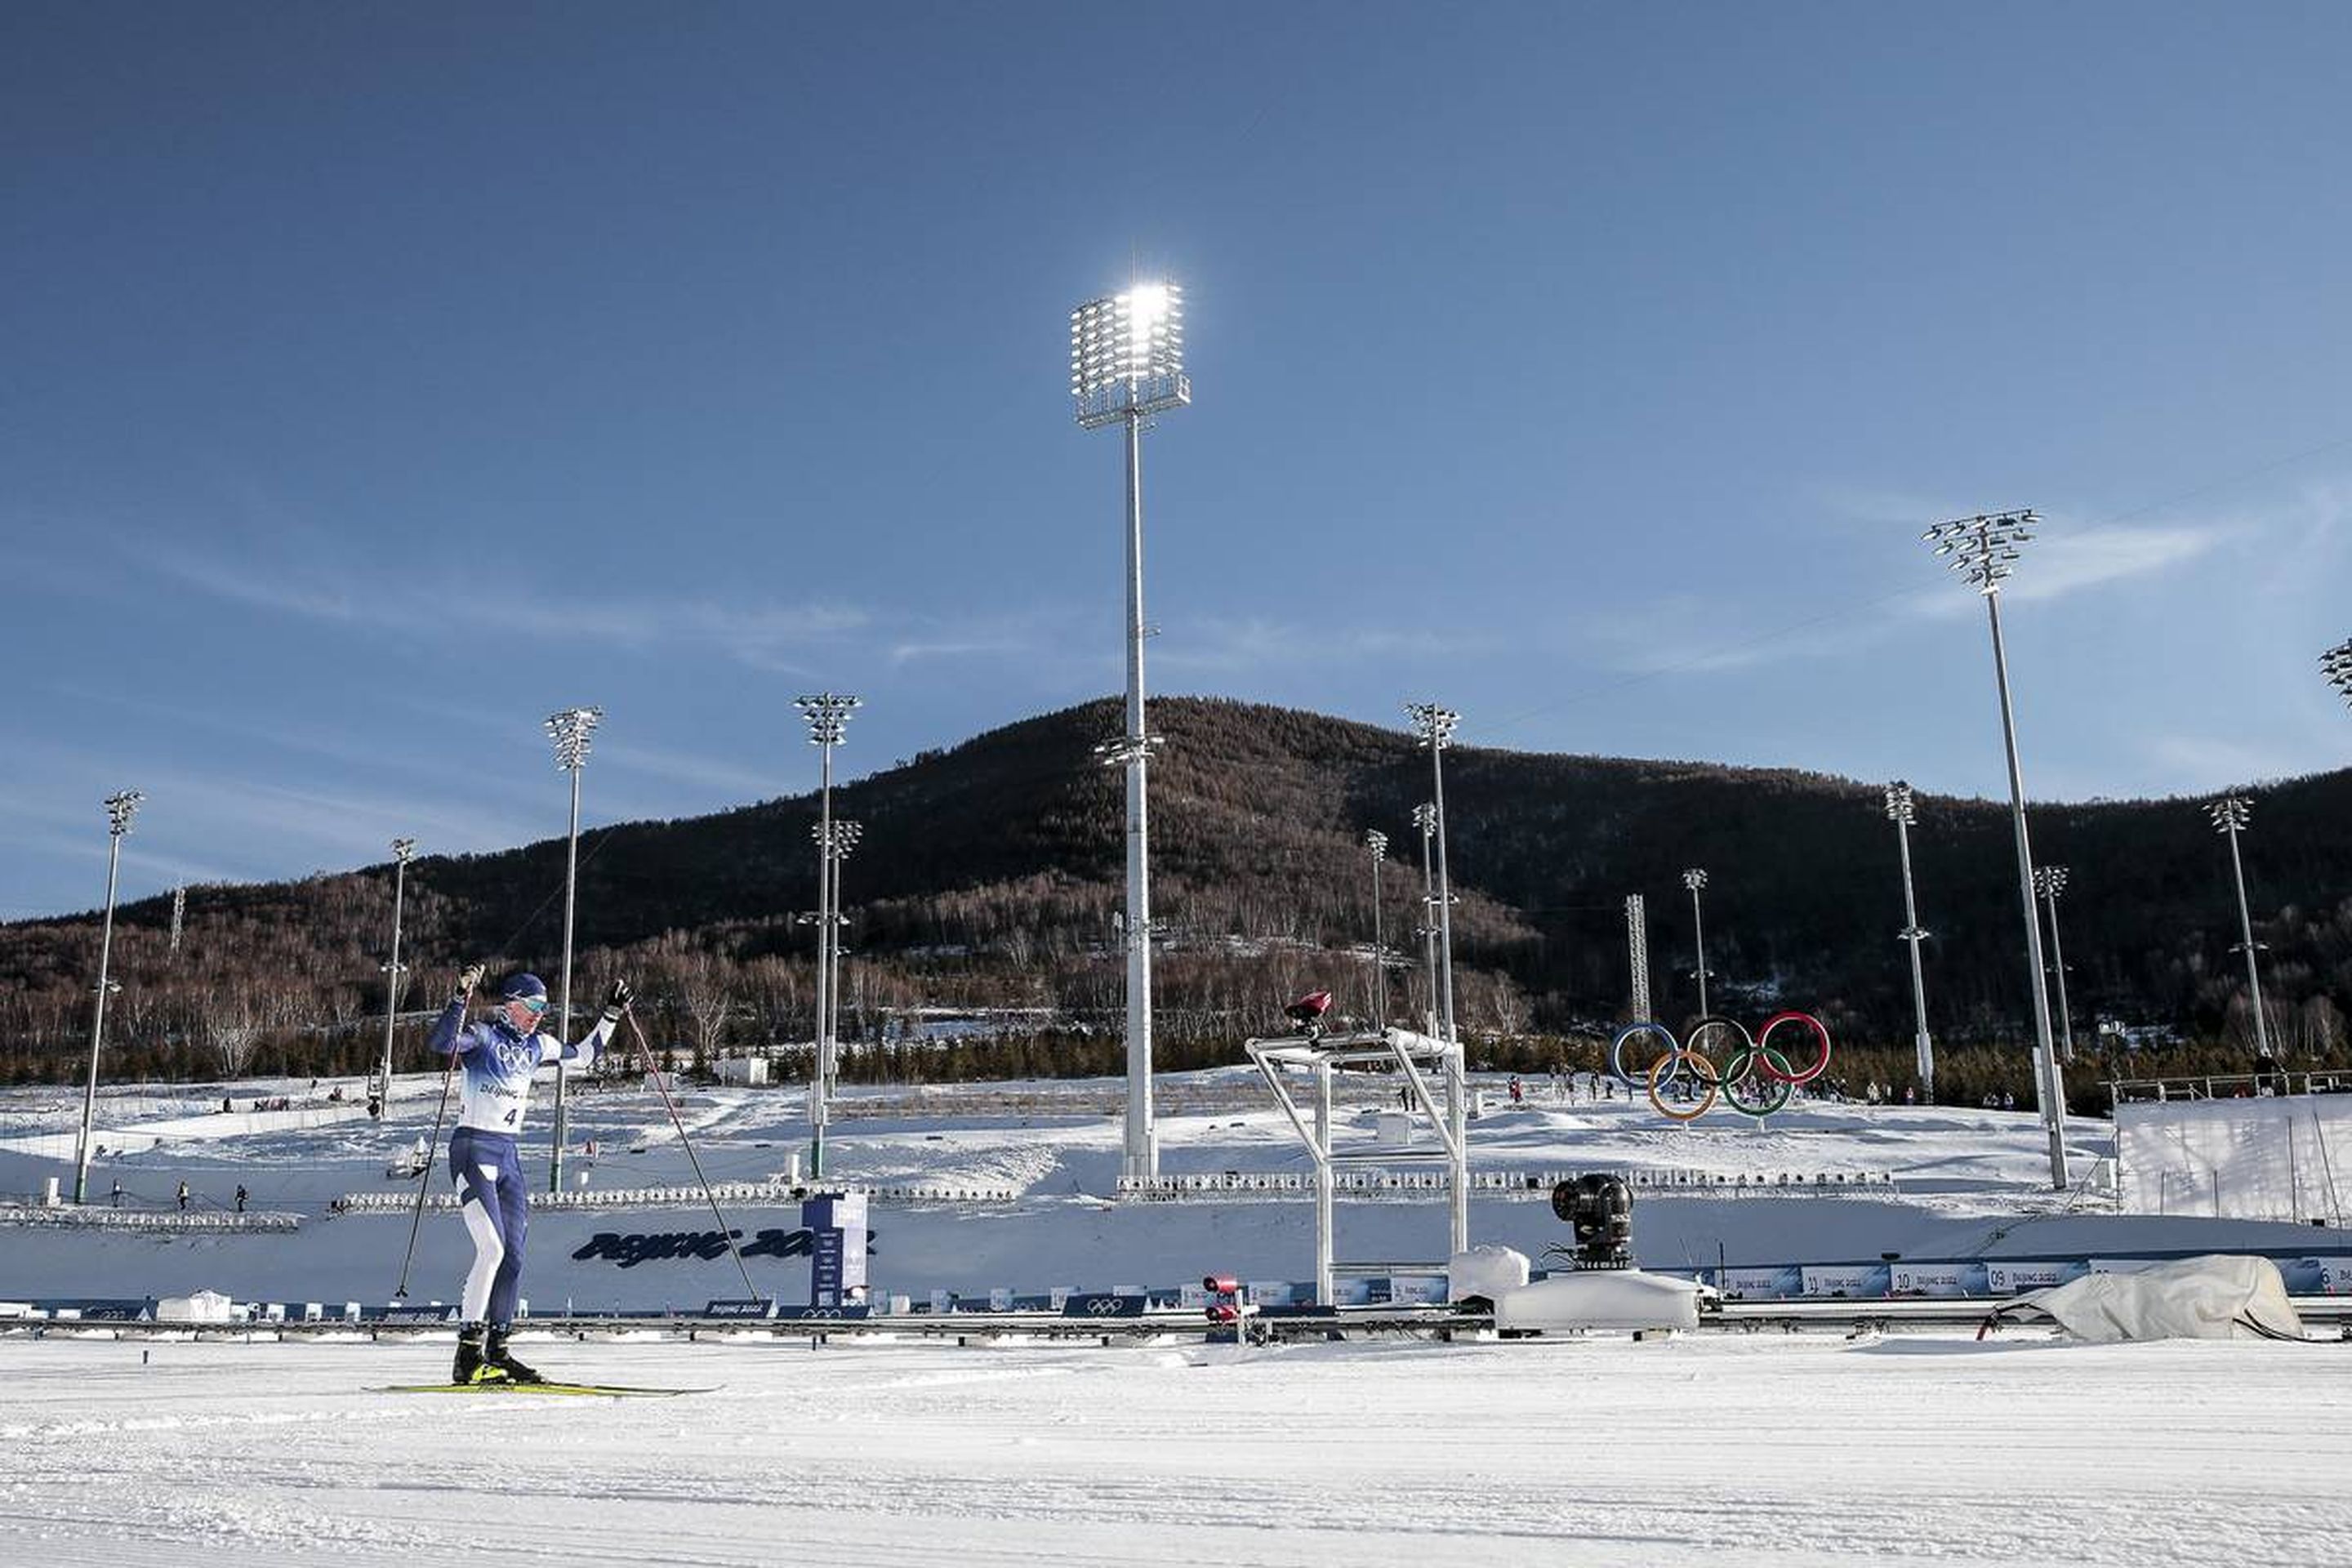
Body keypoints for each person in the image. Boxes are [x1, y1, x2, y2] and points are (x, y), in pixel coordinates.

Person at [429, 963, 632, 1386]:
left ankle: (498, 1352)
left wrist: (610, 1016)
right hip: (473, 1149)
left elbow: (586, 1055)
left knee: (515, 1258)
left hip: (508, 1156)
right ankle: (467, 1358)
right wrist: (458, 997)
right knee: (491, 1250)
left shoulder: (537, 1045)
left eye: (544, 1006)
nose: (540, 1013)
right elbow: (443, 1042)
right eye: (533, 1005)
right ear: (511, 1005)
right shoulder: (484, 1036)